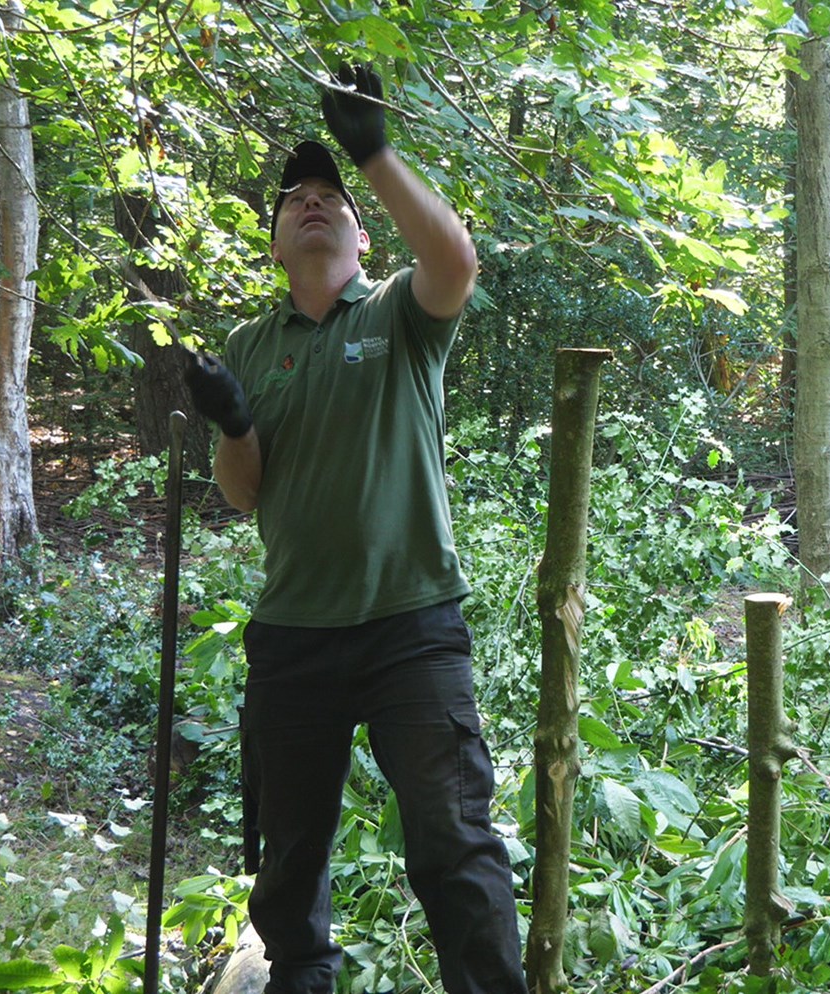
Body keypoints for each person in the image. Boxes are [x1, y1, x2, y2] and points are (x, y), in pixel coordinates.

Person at [183, 64, 527, 994]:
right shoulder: (251, 347)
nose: (311, 203)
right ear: (274, 238)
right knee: (289, 858)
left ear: (361, 229)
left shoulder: (397, 313)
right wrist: (233, 422)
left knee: (453, 844)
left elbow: (454, 258)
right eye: (294, 197)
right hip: (294, 633)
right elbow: (246, 495)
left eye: (330, 194)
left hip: (411, 625)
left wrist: (371, 149)